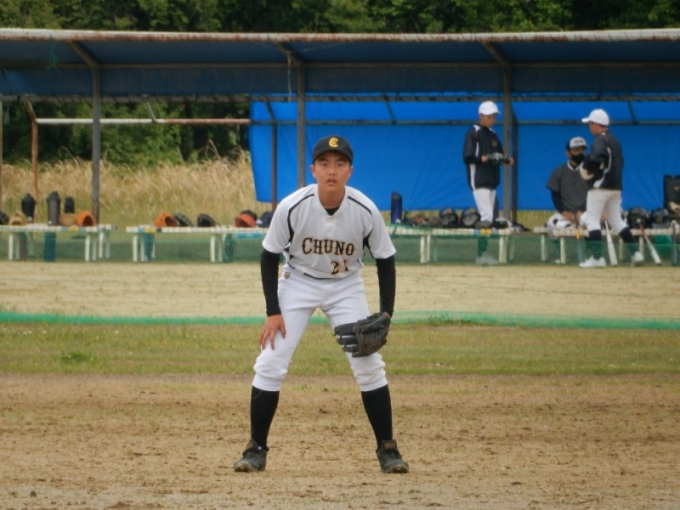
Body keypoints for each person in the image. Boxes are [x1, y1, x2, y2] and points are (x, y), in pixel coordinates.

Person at [233, 135, 409, 474]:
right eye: (325, 164)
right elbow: (269, 256)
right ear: (313, 169)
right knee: (270, 361)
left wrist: (387, 312)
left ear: (350, 171)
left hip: (346, 286)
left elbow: (386, 260)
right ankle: (255, 449)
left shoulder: (364, 209)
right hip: (297, 282)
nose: (332, 171)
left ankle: (388, 449)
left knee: (369, 365)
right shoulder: (293, 206)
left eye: (340, 164)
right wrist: (273, 312)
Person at [578, 109, 644, 268]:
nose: (589, 127)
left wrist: (587, 167)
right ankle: (636, 254)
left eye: (590, 124)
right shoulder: (615, 141)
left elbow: (598, 157)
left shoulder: (600, 140)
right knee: (616, 221)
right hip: (615, 187)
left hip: (600, 187)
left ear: (595, 124)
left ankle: (597, 258)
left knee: (592, 220)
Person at [462, 100, 515, 265]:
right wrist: (484, 158)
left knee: (490, 218)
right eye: (489, 116)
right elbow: (467, 157)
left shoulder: (493, 134)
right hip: (479, 179)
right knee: (487, 218)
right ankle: (481, 255)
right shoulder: (474, 132)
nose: (492, 119)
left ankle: (483, 253)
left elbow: (500, 155)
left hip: (492, 180)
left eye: (493, 116)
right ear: (480, 116)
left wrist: (506, 159)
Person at [544, 137, 590, 262]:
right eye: (576, 150)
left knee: (590, 222)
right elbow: (555, 195)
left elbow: (593, 194)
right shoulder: (558, 171)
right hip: (565, 213)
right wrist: (564, 212)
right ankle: (563, 253)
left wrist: (581, 210)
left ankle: (591, 254)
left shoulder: (590, 171)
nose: (580, 153)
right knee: (550, 223)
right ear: (568, 153)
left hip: (585, 211)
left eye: (582, 150)